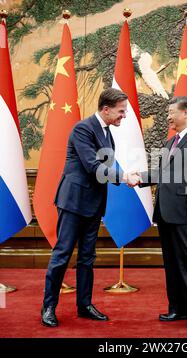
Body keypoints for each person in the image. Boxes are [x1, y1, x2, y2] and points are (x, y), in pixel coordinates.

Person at [41, 88, 140, 327]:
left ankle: (84, 305)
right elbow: (93, 167)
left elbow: (102, 174)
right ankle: (48, 307)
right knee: (62, 255)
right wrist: (124, 176)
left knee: (87, 258)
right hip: (74, 203)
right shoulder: (82, 129)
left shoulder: (108, 133)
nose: (124, 116)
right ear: (105, 109)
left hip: (94, 204)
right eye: (121, 111)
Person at [135, 96, 187, 330]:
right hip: (166, 212)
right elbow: (162, 172)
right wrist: (140, 177)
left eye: (172, 112)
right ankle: (178, 309)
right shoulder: (171, 142)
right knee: (172, 263)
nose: (168, 116)